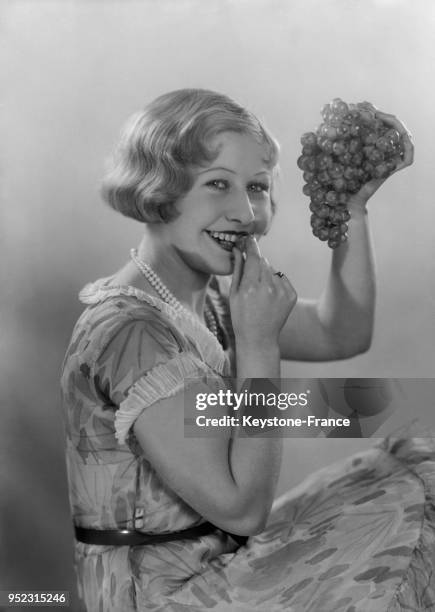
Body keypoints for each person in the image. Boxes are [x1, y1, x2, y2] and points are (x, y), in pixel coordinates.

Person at [61, 89, 414, 611]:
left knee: (415, 454)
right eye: (218, 185)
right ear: (159, 190)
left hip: (222, 566)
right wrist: (258, 345)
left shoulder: (210, 303)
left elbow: (344, 333)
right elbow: (243, 510)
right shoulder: (128, 330)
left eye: (258, 188)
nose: (246, 212)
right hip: (162, 595)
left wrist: (353, 211)